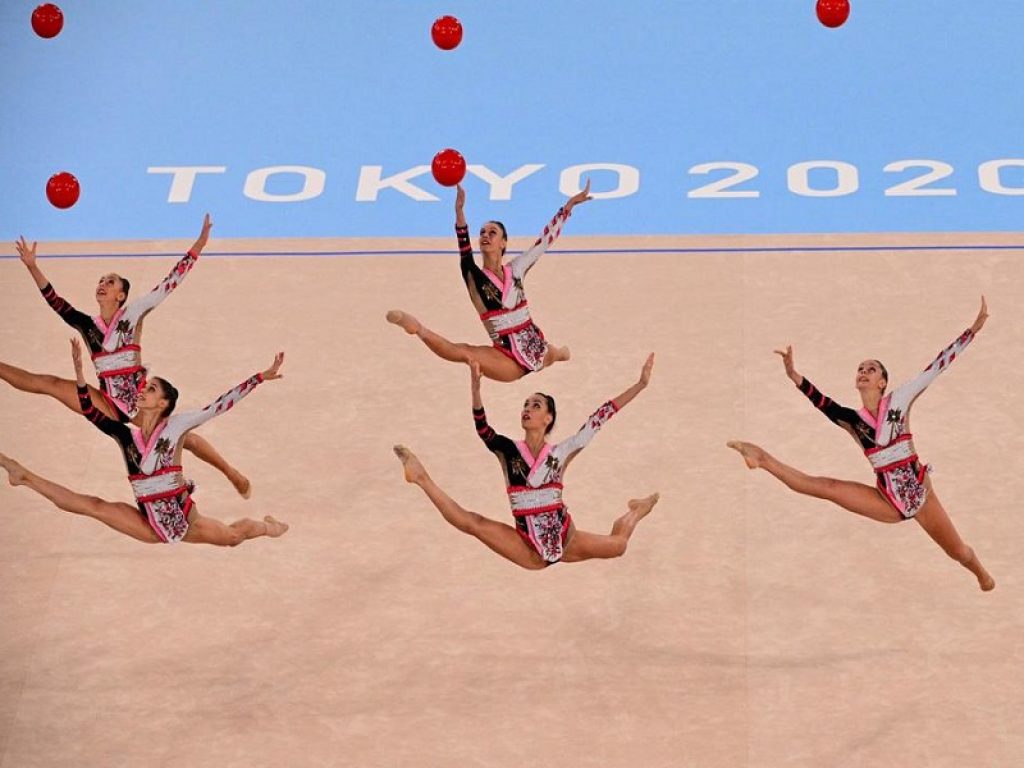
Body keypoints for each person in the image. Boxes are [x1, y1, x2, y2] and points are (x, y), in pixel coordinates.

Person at [728, 297, 994, 591]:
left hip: (920, 495)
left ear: (882, 382)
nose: (864, 372)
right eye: (860, 369)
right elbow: (823, 403)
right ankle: (761, 459)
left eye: (871, 369)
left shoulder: (900, 401)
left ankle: (980, 572)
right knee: (825, 487)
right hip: (886, 501)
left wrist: (973, 330)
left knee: (959, 552)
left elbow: (937, 366)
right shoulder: (852, 420)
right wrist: (794, 376)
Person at [4, 215, 251, 496]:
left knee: (186, 438)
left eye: (110, 282)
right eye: (101, 280)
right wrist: (33, 267)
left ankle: (232, 473)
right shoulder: (88, 326)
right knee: (47, 383)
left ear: (120, 296)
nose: (103, 284)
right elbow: (58, 303)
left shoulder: (133, 316)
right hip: (107, 401)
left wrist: (199, 245)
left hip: (137, 403)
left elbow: (170, 282)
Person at [0, 340, 288, 546]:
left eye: (150, 389)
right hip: (148, 524)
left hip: (185, 523)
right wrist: (79, 377)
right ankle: (22, 475)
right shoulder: (125, 435)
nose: (142, 390)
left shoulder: (176, 428)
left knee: (233, 537)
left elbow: (221, 404)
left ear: (162, 403)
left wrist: (260, 377)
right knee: (93, 506)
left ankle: (266, 527)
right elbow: (90, 411)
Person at [394, 353, 659, 569]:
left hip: (566, 539)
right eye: (526, 404)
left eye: (536, 405)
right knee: (472, 523)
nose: (527, 410)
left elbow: (600, 417)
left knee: (619, 546)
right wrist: (475, 389)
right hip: (527, 548)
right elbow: (483, 430)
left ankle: (636, 510)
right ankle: (420, 476)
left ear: (548, 419)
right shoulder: (507, 450)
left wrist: (640, 385)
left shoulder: (561, 452)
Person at [386, 181, 593, 382]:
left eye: (492, 232)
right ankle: (417, 328)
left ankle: (560, 354)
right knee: (466, 353)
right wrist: (459, 212)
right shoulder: (474, 277)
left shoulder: (517, 268)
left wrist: (569, 206)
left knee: (553, 355)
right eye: (482, 232)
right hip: (505, 358)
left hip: (535, 345)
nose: (485, 235)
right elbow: (464, 251)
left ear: (503, 243)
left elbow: (544, 241)